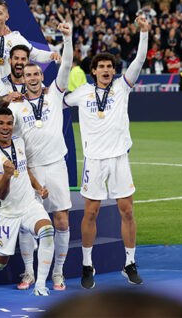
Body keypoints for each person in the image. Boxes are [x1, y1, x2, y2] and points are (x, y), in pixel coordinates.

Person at [65, 17, 149, 288]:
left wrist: (144, 33)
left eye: (109, 66)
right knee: (91, 212)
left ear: (114, 71)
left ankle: (129, 263)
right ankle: (87, 265)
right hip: (94, 160)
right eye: (100, 66)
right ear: (93, 70)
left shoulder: (122, 87)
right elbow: (59, 100)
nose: (105, 70)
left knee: (127, 211)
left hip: (119, 158)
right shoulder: (83, 92)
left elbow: (139, 60)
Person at [8, 23, 73, 292]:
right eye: (28, 74)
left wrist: (67, 39)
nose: (32, 77)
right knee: (28, 223)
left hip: (56, 165)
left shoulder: (54, 95)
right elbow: (6, 136)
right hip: (30, 169)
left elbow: (66, 66)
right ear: (22, 78)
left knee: (61, 220)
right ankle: (28, 271)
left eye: (36, 73)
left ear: (41, 76)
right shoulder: (15, 105)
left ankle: (58, 272)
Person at [0, 108, 56, 296]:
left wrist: (38, 187)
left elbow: (24, 168)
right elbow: (1, 194)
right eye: (0, 123)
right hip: (7, 212)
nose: (5, 127)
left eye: (9, 123)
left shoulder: (18, 141)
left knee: (47, 231)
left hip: (29, 205)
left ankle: (40, 285)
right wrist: (6, 175)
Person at [0, 0, 60, 80]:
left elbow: (35, 54)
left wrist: (51, 55)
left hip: (7, 92)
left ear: (6, 17)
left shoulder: (15, 37)